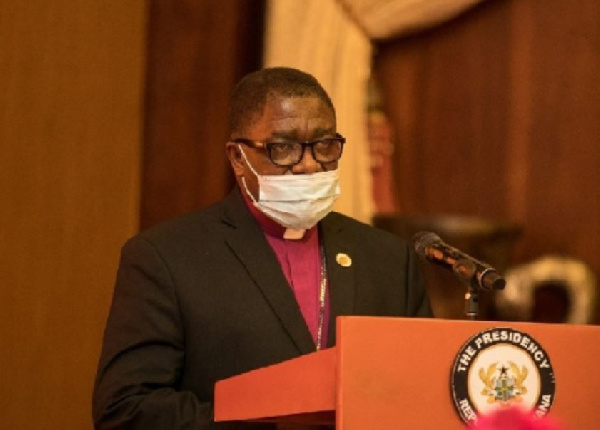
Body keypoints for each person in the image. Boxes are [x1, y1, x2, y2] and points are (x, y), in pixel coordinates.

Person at [92, 67, 432, 430]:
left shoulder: (387, 258)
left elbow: (423, 392)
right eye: (283, 148)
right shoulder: (166, 258)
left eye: (325, 145)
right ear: (238, 158)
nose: (309, 164)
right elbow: (126, 409)